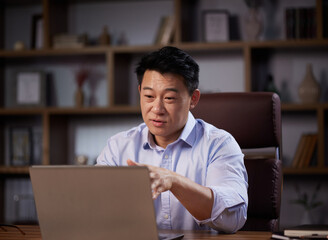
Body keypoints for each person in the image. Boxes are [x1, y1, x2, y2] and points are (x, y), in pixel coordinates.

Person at [96, 46, 248, 233]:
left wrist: (174, 182)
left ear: (193, 98)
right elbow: (94, 210)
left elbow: (234, 219)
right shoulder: (118, 147)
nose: (157, 108)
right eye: (149, 96)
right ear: (139, 92)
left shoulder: (219, 145)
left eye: (169, 98)